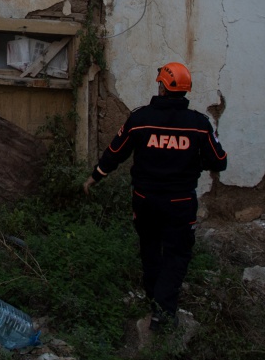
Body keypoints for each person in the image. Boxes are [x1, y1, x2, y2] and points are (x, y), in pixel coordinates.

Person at [84, 61, 227, 329]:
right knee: (177, 253)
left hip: (145, 200)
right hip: (180, 203)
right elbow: (219, 161)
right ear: (185, 91)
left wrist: (95, 176)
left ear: (162, 87)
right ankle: (163, 311)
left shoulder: (140, 119)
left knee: (150, 249)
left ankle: (154, 300)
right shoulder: (199, 124)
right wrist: (195, 161)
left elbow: (116, 152)